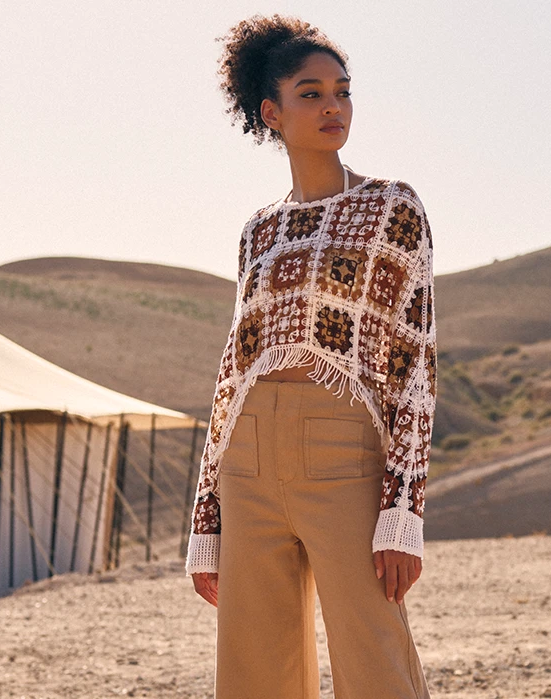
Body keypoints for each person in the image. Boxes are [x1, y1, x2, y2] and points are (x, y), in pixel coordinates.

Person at [185, 14, 436, 699]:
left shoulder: (392, 208)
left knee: (375, 657)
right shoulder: (257, 231)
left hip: (343, 445)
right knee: (254, 671)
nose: (333, 106)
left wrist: (403, 509)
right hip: (249, 454)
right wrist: (206, 519)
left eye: (342, 91)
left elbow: (414, 360)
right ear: (272, 112)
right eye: (311, 93)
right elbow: (233, 370)